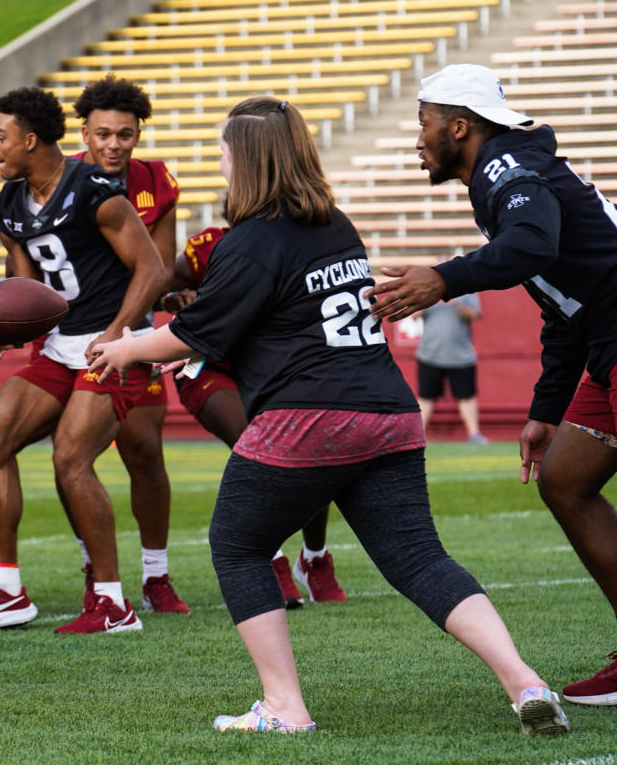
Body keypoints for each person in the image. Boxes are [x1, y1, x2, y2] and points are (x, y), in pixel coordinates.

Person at [89, 94, 568, 735]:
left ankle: (285, 707)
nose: (222, 164)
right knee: (421, 559)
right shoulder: (335, 224)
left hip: (307, 414)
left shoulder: (249, 241)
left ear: (250, 161)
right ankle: (525, 681)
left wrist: (122, 348)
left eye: (226, 152)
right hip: (389, 410)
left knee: (237, 547)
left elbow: (191, 335)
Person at [372, 63, 617, 708]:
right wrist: (545, 409)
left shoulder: (507, 167)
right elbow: (564, 305)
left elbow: (533, 246)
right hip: (603, 339)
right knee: (565, 478)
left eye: (424, 122)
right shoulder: (502, 173)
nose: (417, 138)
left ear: (460, 125)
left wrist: (443, 279)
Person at [0, 86, 166, 634]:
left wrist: (116, 334)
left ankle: (112, 603)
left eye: (0, 136)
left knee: (70, 458)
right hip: (61, 348)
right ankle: (6, 590)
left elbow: (153, 269)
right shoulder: (10, 202)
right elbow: (30, 292)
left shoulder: (95, 190)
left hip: (116, 347)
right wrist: (1, 334)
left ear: (30, 139)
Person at [166, 226, 345, 607]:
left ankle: (314, 559)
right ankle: (270, 557)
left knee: (312, 444)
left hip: (269, 364)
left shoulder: (297, 241)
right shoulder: (210, 244)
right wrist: (178, 300)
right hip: (208, 363)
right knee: (257, 443)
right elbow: (157, 282)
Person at [72, 77, 188, 613]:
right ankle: (94, 569)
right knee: (71, 457)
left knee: (144, 450)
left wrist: (138, 324)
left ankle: (155, 575)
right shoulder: (66, 177)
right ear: (84, 133)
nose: (114, 144)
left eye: (125, 134)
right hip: (72, 335)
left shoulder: (155, 180)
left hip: (134, 334)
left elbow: (159, 268)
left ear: (138, 134)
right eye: (103, 134)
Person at [414, 294, 487, 444]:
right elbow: (413, 315)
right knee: (425, 398)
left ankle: (474, 435)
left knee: (467, 397)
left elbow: (474, 315)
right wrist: (430, 299)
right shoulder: (427, 289)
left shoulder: (468, 289)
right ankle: (418, 436)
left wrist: (457, 302)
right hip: (430, 355)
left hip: (461, 357)